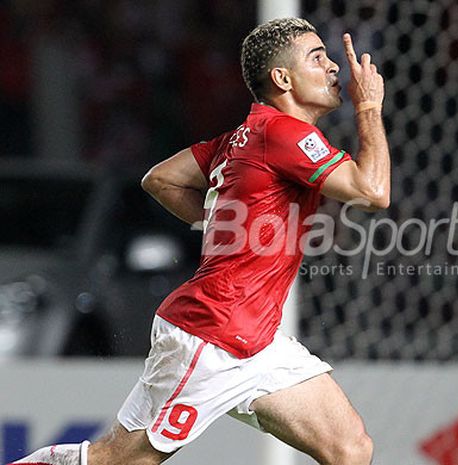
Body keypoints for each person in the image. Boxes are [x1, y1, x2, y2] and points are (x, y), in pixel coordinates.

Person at [10, 17, 389, 465]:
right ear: (282, 79)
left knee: (349, 447)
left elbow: (162, 179)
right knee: (115, 461)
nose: (333, 69)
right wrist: (368, 108)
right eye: (317, 57)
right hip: (212, 335)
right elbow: (372, 192)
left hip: (259, 343)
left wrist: (229, 225)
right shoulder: (285, 134)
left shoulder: (240, 139)